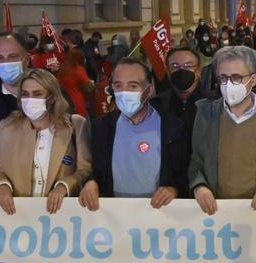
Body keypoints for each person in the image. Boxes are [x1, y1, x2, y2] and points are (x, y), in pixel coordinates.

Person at [188, 46, 256, 215]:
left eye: (236, 77)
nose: (228, 85)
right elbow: (196, 160)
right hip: (217, 212)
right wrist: (199, 186)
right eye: (223, 78)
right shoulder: (205, 114)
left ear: (254, 79)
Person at [80, 59, 187, 209]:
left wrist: (173, 189)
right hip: (114, 214)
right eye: (118, 85)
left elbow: (183, 173)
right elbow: (96, 170)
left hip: (159, 214)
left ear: (148, 89)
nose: (124, 92)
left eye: (133, 85)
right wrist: (92, 182)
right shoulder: (103, 126)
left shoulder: (172, 127)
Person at [0, 69, 92, 215]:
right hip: (20, 215)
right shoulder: (7, 127)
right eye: (25, 94)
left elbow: (85, 171)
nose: (30, 99)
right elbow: (0, 170)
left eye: (37, 94)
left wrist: (64, 186)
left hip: (60, 216)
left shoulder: (76, 125)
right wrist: (1, 186)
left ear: (51, 97)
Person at [56, 47, 95, 117]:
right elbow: (89, 88)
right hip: (78, 104)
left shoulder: (62, 69)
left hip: (65, 104)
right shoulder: (78, 69)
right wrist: (91, 83)